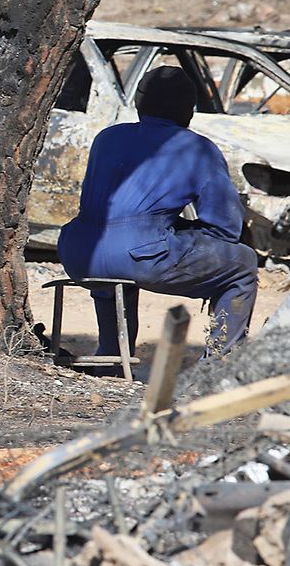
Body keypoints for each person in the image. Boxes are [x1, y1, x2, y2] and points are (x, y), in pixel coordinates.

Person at [58, 65, 259, 357]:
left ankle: (111, 355)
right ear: (188, 110)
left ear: (139, 104)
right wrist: (181, 230)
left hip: (77, 251)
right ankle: (219, 364)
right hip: (137, 257)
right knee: (243, 264)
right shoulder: (197, 149)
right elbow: (225, 228)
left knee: (117, 257)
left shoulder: (107, 137)